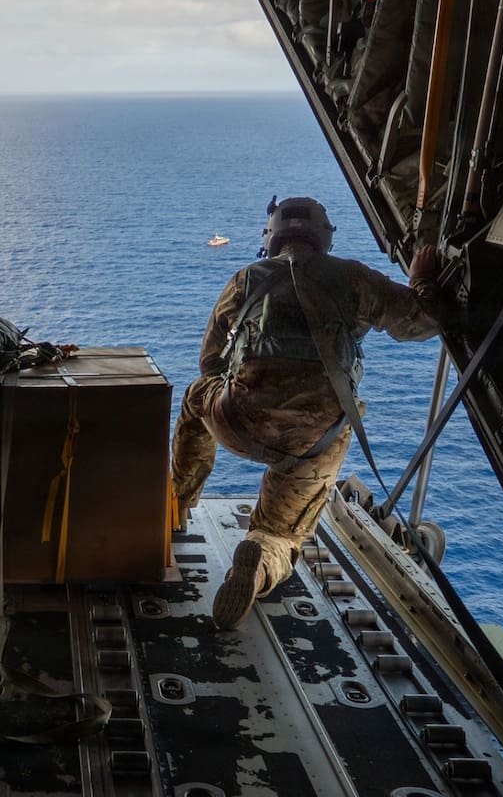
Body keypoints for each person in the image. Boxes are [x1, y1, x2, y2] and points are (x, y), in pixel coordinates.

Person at [170, 196, 441, 630]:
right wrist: (421, 281)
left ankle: (180, 498)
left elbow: (209, 363)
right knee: (282, 533)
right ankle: (258, 563)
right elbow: (423, 321)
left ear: (272, 238)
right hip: (313, 441)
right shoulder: (354, 280)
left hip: (237, 421)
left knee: (194, 396)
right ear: (324, 238)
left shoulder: (245, 280)